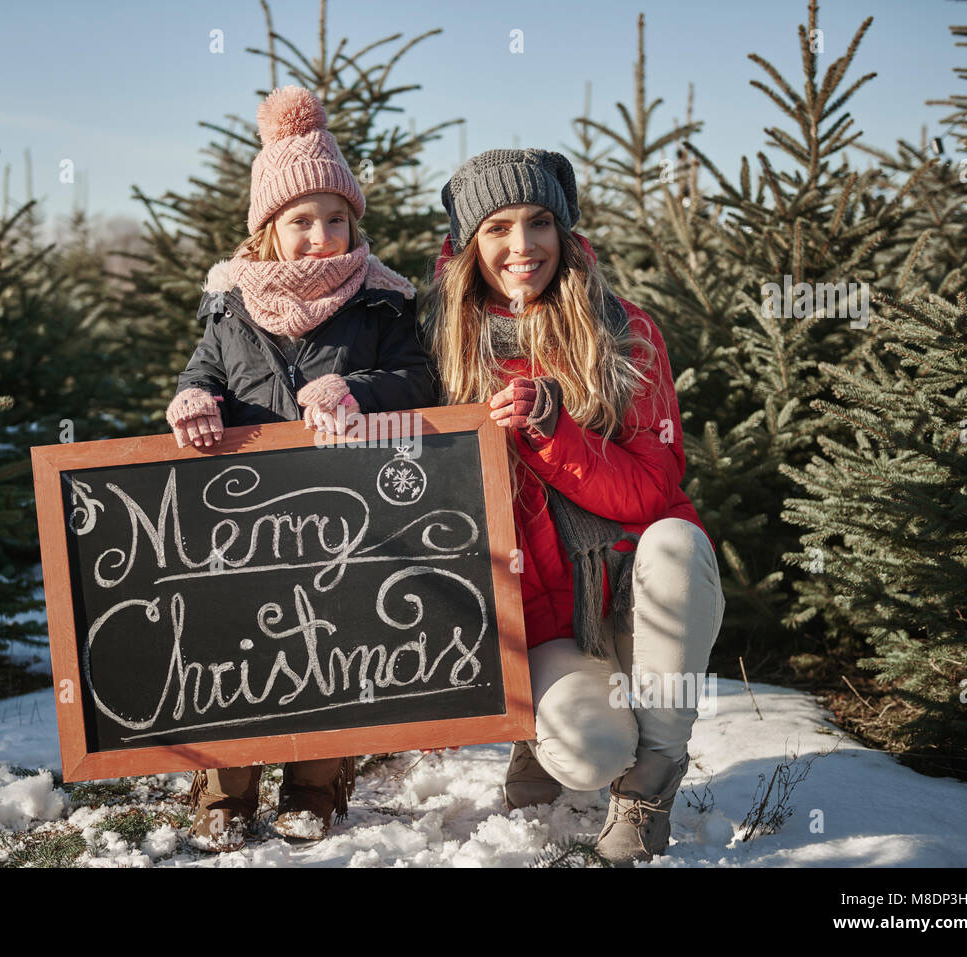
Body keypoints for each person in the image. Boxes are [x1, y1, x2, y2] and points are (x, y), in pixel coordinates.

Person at [425, 148, 724, 865]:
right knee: (591, 752)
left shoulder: (623, 330)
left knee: (679, 542)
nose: (521, 246)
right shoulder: (438, 343)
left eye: (538, 223)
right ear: (470, 246)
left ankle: (648, 793)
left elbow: (655, 489)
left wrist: (552, 433)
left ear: (564, 232)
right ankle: (544, 738)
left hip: (633, 597)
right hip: (546, 624)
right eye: (497, 227)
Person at [165, 86, 436, 852]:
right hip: (244, 519)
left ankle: (315, 786)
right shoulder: (231, 307)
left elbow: (420, 385)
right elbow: (203, 376)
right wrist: (191, 399)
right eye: (300, 221)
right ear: (268, 230)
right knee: (235, 646)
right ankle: (225, 793)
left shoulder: (382, 307)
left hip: (343, 514)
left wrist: (356, 388)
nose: (321, 235)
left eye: (335, 218)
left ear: (354, 222)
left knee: (328, 642)